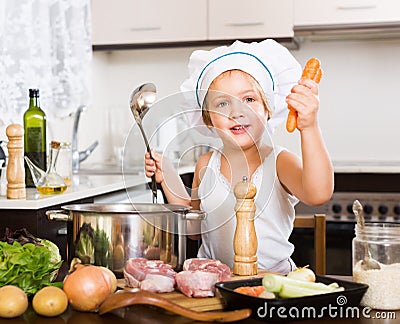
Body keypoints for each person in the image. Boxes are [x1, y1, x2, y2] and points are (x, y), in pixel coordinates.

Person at [144, 39, 334, 274]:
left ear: (268, 109)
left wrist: (310, 127)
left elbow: (319, 193)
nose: (237, 112)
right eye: (222, 103)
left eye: (249, 99)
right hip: (215, 283)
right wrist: (167, 176)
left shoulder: (279, 162)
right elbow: (195, 228)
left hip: (271, 284)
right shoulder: (206, 165)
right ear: (208, 118)